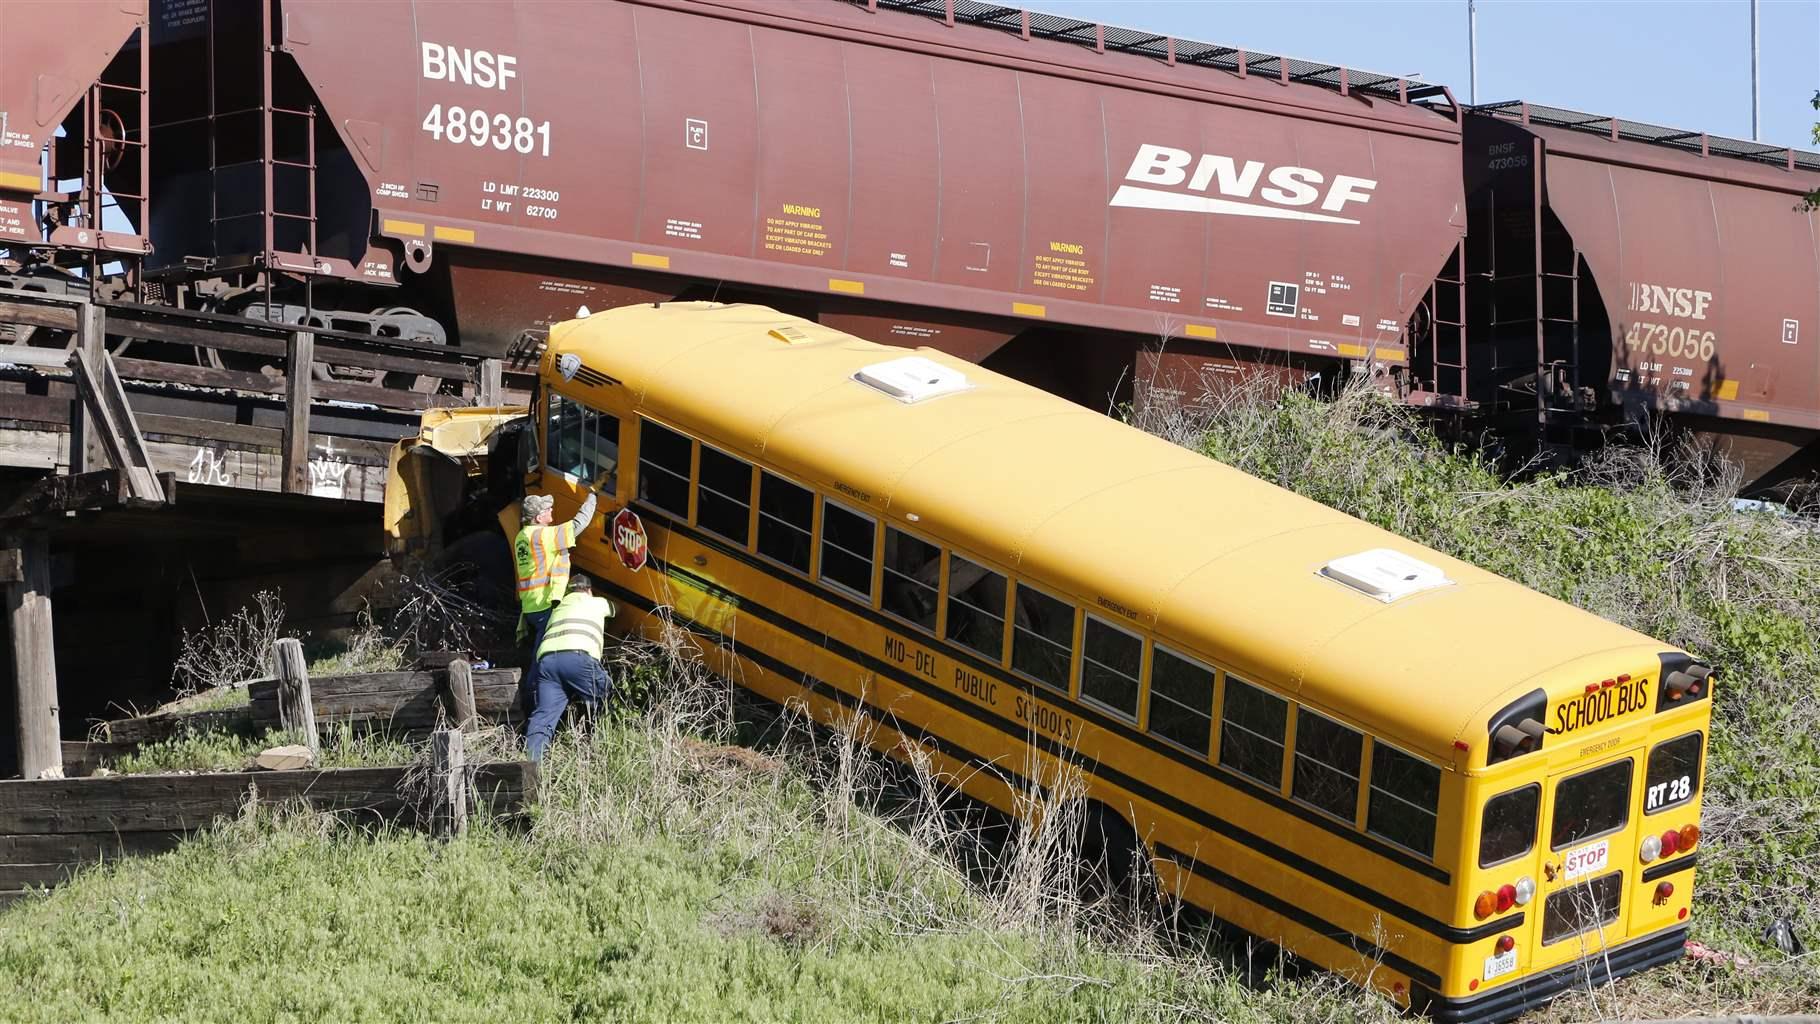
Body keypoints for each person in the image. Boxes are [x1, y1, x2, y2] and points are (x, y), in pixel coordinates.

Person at [524, 574, 618, 761]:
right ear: (589, 590)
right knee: (607, 694)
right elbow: (618, 609)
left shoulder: (558, 607)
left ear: (568, 591)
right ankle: (601, 743)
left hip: (547, 661)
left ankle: (531, 764)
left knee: (544, 715)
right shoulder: (597, 603)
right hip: (578, 657)